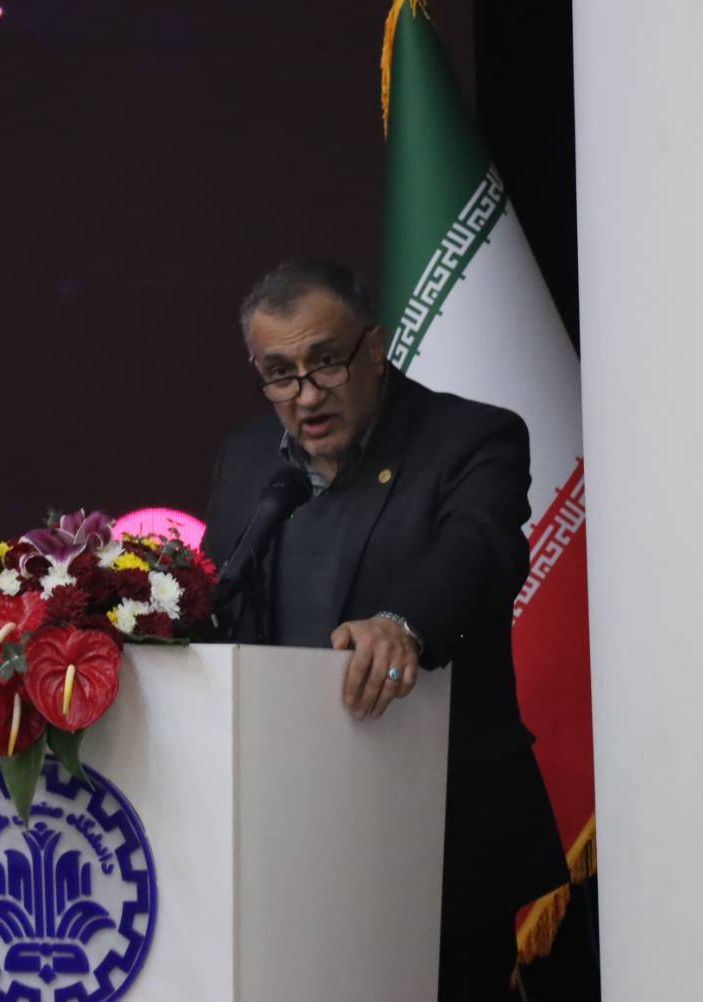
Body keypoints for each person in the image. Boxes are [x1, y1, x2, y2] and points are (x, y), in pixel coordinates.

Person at [201, 258, 569, 1000]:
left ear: (375, 347)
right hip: (286, 837)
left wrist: (404, 622)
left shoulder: (471, 438)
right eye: (280, 375)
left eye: (325, 363)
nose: (306, 395)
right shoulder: (245, 457)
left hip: (438, 838)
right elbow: (222, 596)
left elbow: (479, 549)